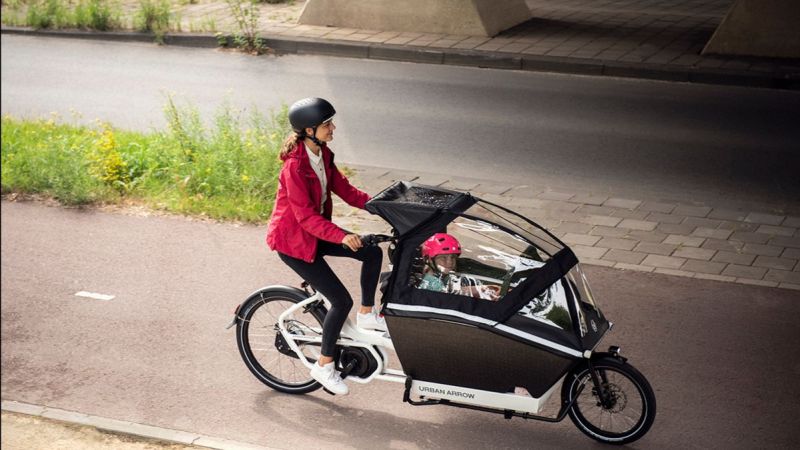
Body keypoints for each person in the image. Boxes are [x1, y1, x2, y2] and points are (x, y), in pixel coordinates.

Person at [266, 97, 384, 396]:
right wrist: (341, 236)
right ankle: (324, 365)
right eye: (327, 124)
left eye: (331, 122)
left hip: (316, 233)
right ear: (309, 130)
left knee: (371, 251)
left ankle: (368, 314)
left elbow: (344, 189)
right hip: (294, 242)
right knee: (340, 300)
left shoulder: (323, 154)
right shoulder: (294, 168)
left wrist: (380, 206)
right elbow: (304, 216)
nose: (333, 128)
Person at [417, 233, 501, 301]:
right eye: (443, 257)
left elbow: (457, 289)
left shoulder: (437, 274)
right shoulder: (432, 285)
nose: (450, 262)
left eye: (453, 257)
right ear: (429, 260)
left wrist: (484, 289)